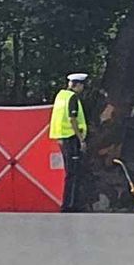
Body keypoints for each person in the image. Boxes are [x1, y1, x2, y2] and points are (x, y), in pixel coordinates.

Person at [49, 73, 88, 212]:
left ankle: (68, 204)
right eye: (82, 86)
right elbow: (72, 119)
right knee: (73, 173)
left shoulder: (61, 96)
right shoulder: (72, 98)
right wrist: (81, 139)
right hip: (71, 138)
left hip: (61, 137)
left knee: (70, 172)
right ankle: (70, 205)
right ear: (77, 85)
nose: (82, 89)